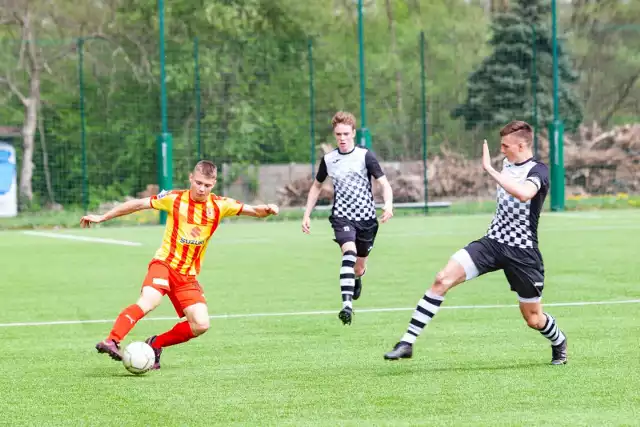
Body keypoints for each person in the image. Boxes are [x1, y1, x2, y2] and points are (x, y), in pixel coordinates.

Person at [383, 120, 568, 365]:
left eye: (506, 146)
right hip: (492, 243)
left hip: (523, 252)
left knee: (534, 319)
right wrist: (497, 168)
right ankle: (407, 342)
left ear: (522, 145)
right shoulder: (506, 163)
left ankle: (559, 341)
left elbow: (524, 193)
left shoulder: (539, 171)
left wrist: (490, 170)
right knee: (442, 279)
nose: (502, 150)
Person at [81, 160, 279, 369]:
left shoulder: (220, 205)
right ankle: (112, 340)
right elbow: (138, 204)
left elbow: (255, 211)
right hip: (164, 264)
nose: (202, 189)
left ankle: (155, 344)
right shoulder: (173, 199)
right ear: (191, 178)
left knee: (201, 324)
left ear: (214, 184)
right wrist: (103, 217)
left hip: (187, 276)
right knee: (149, 301)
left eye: (207, 185)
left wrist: (268, 208)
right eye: (199, 183)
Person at [302, 111, 393, 325]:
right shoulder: (329, 160)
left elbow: (384, 183)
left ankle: (358, 278)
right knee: (348, 253)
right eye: (338, 134)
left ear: (353, 133)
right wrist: (306, 214)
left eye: (345, 133)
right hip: (342, 217)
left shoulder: (365, 156)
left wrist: (388, 204)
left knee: (359, 267)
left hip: (367, 219)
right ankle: (347, 306)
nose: (342, 138)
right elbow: (316, 186)